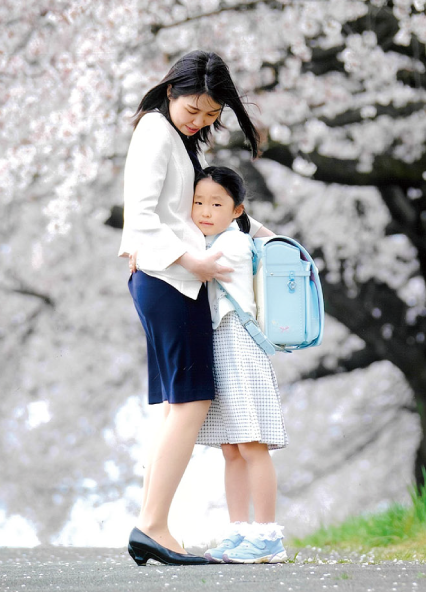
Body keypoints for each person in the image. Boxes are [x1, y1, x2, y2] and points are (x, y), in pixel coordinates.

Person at [118, 50, 261, 566]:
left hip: (171, 279)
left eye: (209, 116)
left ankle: (151, 524)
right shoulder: (156, 132)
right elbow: (140, 218)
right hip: (170, 279)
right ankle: (153, 524)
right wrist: (192, 262)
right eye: (193, 110)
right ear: (171, 90)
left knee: (182, 407)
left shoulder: (173, 136)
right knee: (192, 403)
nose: (199, 121)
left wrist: (256, 232)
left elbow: (196, 211)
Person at [190, 166, 289, 565]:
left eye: (216, 204)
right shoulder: (220, 237)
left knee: (251, 445)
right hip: (223, 345)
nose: (205, 211)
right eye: (197, 202)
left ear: (237, 210)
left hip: (239, 346)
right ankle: (239, 532)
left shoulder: (229, 244)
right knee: (231, 448)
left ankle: (267, 536)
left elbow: (188, 263)